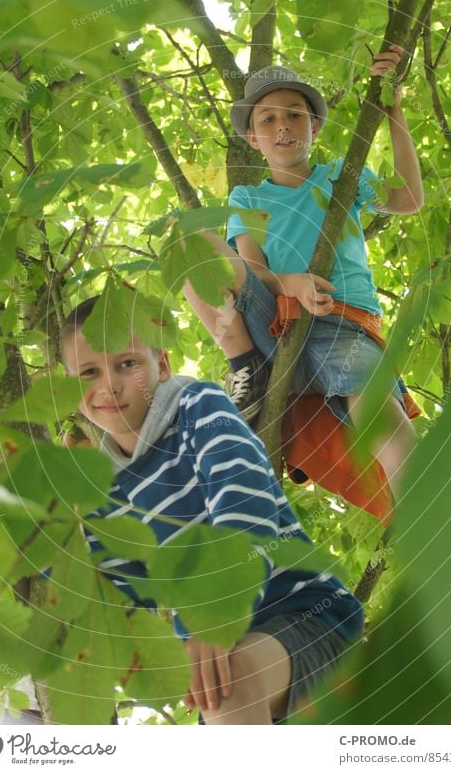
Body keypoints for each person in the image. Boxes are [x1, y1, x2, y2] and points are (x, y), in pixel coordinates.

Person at [60, 296, 364, 724]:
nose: (109, 385)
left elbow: (243, 495)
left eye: (127, 363)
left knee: (227, 687)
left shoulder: (197, 407)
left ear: (161, 367)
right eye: (89, 372)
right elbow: (120, 594)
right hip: (215, 659)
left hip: (305, 612)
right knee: (219, 698)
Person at [183, 46, 424, 500]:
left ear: (315, 127)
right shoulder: (248, 198)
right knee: (191, 244)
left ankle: (429, 531)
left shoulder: (341, 176)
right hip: (276, 329)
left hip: (344, 331)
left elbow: (409, 197)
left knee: (386, 426)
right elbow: (252, 267)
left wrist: (393, 111)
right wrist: (288, 283)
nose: (283, 127)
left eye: (294, 115)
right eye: (268, 119)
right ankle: (245, 368)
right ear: (253, 138)